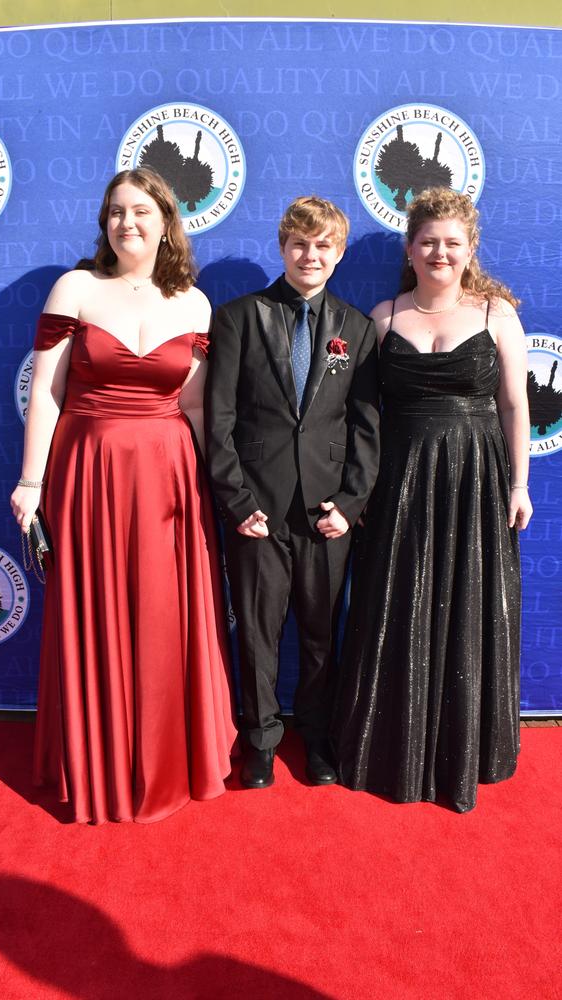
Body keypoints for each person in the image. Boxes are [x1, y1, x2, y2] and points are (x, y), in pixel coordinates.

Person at [10, 168, 236, 824]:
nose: (126, 222)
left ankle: (163, 762)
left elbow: (193, 405)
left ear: (167, 220)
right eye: (115, 211)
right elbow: (48, 396)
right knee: (95, 613)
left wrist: (216, 487)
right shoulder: (75, 288)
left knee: (164, 619)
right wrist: (31, 482)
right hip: (89, 472)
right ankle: (97, 765)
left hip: (170, 476)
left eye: (141, 210)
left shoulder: (195, 303)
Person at [331, 187, 532, 813]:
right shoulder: (383, 316)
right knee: (398, 599)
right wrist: (356, 490)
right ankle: (392, 745)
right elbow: (360, 416)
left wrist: (520, 485)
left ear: (470, 249)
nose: (440, 251)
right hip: (400, 480)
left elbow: (514, 405)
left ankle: (461, 750)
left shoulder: (496, 314)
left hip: (475, 477)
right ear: (409, 249)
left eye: (452, 242)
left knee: (469, 601)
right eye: (428, 242)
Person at [205, 196, 380, 789]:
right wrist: (235, 501)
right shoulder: (238, 318)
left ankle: (318, 737)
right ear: (282, 247)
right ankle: (258, 743)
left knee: (321, 634)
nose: (311, 255)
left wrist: (351, 504)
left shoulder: (357, 329)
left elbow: (365, 427)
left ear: (337, 254)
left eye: (323, 245)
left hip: (327, 513)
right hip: (257, 510)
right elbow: (218, 420)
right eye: (300, 244)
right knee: (256, 633)